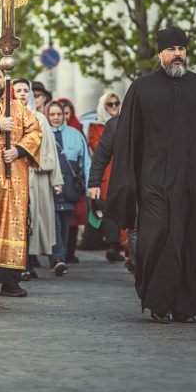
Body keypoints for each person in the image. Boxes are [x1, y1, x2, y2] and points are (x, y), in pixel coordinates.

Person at [107, 27, 196, 324]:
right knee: (156, 237)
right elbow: (128, 140)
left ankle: (185, 305)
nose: (178, 54)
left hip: (192, 183)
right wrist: (127, 184)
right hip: (153, 182)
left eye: (181, 48)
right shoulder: (141, 89)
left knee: (189, 241)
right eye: (171, 49)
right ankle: (158, 301)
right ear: (160, 54)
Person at [0, 65, 42, 297]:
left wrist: (19, 150)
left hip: (15, 177)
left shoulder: (17, 106)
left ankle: (10, 281)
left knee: (13, 225)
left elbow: (35, 131)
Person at [14, 79, 61, 279]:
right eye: (18, 90)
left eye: (26, 90)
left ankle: (29, 261)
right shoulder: (7, 116)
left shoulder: (40, 118)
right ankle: (19, 262)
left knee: (35, 218)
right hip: (15, 175)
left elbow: (50, 149)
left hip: (36, 175)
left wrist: (56, 179)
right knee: (17, 219)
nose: (23, 94)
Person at [47, 101, 90, 277]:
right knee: (54, 224)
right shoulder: (42, 134)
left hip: (70, 189)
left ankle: (60, 257)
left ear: (65, 115)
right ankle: (57, 259)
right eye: (52, 114)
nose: (56, 118)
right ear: (47, 115)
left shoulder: (76, 135)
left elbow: (86, 162)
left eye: (60, 114)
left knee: (66, 224)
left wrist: (89, 188)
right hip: (49, 188)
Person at [87, 91, 128, 264]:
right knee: (109, 210)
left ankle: (126, 247)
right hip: (106, 175)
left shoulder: (128, 124)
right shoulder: (96, 127)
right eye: (109, 104)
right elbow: (98, 149)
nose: (113, 107)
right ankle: (112, 245)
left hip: (124, 174)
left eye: (116, 103)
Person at [56, 97, 86, 263]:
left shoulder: (77, 131)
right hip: (58, 183)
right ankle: (59, 254)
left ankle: (69, 252)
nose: (64, 117)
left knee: (73, 218)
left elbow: (85, 158)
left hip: (73, 183)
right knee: (58, 218)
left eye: (66, 113)